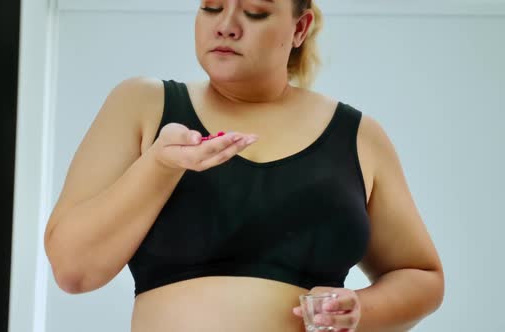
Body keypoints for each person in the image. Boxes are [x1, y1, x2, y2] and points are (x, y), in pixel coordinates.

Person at [43, 0, 445, 331]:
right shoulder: (143, 105)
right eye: (211, 7)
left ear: (299, 28)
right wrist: (160, 166)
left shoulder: (359, 136)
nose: (226, 26)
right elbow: (73, 270)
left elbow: (422, 277)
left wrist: (360, 309)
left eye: (254, 12)